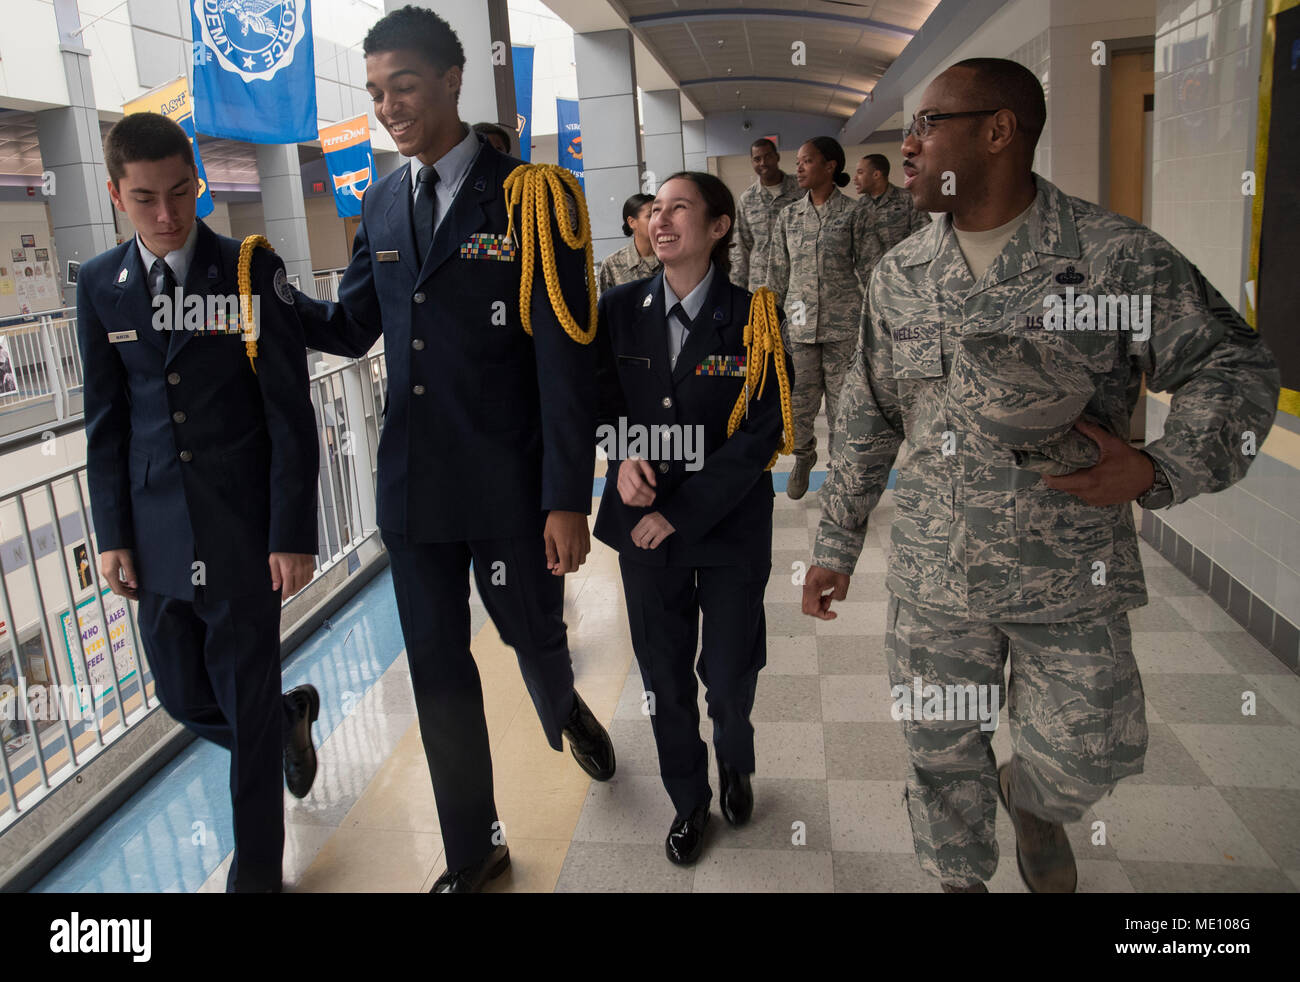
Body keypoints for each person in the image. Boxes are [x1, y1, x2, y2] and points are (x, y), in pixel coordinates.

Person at [802, 58, 1280, 893]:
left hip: (1071, 576)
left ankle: (1033, 799)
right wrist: (835, 541)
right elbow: (867, 414)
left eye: (926, 125)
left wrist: (1160, 469)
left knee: (1086, 755)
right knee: (941, 752)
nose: (905, 147)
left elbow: (1234, 368)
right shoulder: (902, 276)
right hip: (936, 577)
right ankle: (960, 878)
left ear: (999, 131)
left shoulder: (1113, 261)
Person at [289, 6, 615, 893]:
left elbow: (564, 359)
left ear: (450, 82)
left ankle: (563, 702)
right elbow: (354, 325)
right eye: (375, 92)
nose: (388, 106)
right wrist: (263, 295)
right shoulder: (383, 200)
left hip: (508, 484)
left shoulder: (534, 197)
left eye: (403, 86)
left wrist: (564, 497)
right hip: (415, 489)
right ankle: (476, 847)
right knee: (438, 673)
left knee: (531, 634)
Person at [76, 112, 322, 893]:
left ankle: (257, 876)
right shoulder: (98, 286)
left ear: (198, 181)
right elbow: (105, 420)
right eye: (145, 198)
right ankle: (287, 723)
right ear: (117, 195)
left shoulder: (249, 271)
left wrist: (291, 533)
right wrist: (112, 533)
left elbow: (289, 412)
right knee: (180, 695)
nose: (167, 215)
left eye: (180, 192)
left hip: (244, 535)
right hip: (153, 540)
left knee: (244, 711)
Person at [594, 172, 789, 866]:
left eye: (679, 207)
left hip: (728, 528)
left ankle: (735, 763)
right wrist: (618, 456)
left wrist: (681, 513)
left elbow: (761, 431)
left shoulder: (756, 316)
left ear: (719, 227)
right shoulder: (616, 308)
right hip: (641, 529)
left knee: (730, 673)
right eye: (654, 208)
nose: (660, 218)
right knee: (664, 679)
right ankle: (688, 801)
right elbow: (595, 397)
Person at [768, 136, 883, 500]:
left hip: (842, 327)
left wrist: (877, 324)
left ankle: (838, 474)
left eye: (807, 161)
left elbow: (871, 269)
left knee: (843, 408)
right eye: (798, 161)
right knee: (798, 404)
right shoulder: (788, 216)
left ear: (830, 166)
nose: (798, 168)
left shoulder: (855, 213)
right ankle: (803, 456)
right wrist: (766, 320)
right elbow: (776, 272)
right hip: (798, 329)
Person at [729, 138, 802, 292]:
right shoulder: (747, 199)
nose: (763, 162)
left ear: (777, 157)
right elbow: (741, 246)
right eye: (757, 159)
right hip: (762, 284)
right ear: (752, 162)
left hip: (797, 279)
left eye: (768, 156)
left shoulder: (801, 189)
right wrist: (737, 289)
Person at [852, 153, 930, 252]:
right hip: (873, 267)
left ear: (876, 174)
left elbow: (925, 234)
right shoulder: (859, 206)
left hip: (902, 264)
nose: (854, 179)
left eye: (860, 172)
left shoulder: (908, 198)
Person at [597, 192, 661, 294]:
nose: (658, 221)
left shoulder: (671, 257)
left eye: (658, 214)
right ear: (632, 222)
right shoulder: (612, 264)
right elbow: (604, 307)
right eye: (650, 216)